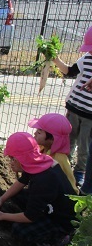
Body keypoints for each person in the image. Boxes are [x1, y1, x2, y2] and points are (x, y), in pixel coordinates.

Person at [0, 132, 77, 246]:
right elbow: (22, 181)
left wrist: (2, 215)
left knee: (19, 230)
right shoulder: (38, 162)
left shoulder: (43, 181)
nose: (10, 162)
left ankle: (58, 239)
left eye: (12, 158)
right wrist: (1, 199)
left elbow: (30, 216)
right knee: (17, 194)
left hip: (61, 221)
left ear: (22, 159)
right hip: (49, 205)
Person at [52, 25, 92, 186]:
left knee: (85, 146)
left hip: (90, 115)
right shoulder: (86, 59)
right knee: (69, 141)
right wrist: (56, 59)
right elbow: (69, 71)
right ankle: (64, 168)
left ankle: (80, 171)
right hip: (74, 108)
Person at [28, 113, 78, 193]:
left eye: (39, 132)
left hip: (61, 196)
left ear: (52, 139)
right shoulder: (41, 148)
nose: (35, 133)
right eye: (37, 130)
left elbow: (67, 187)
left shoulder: (58, 158)